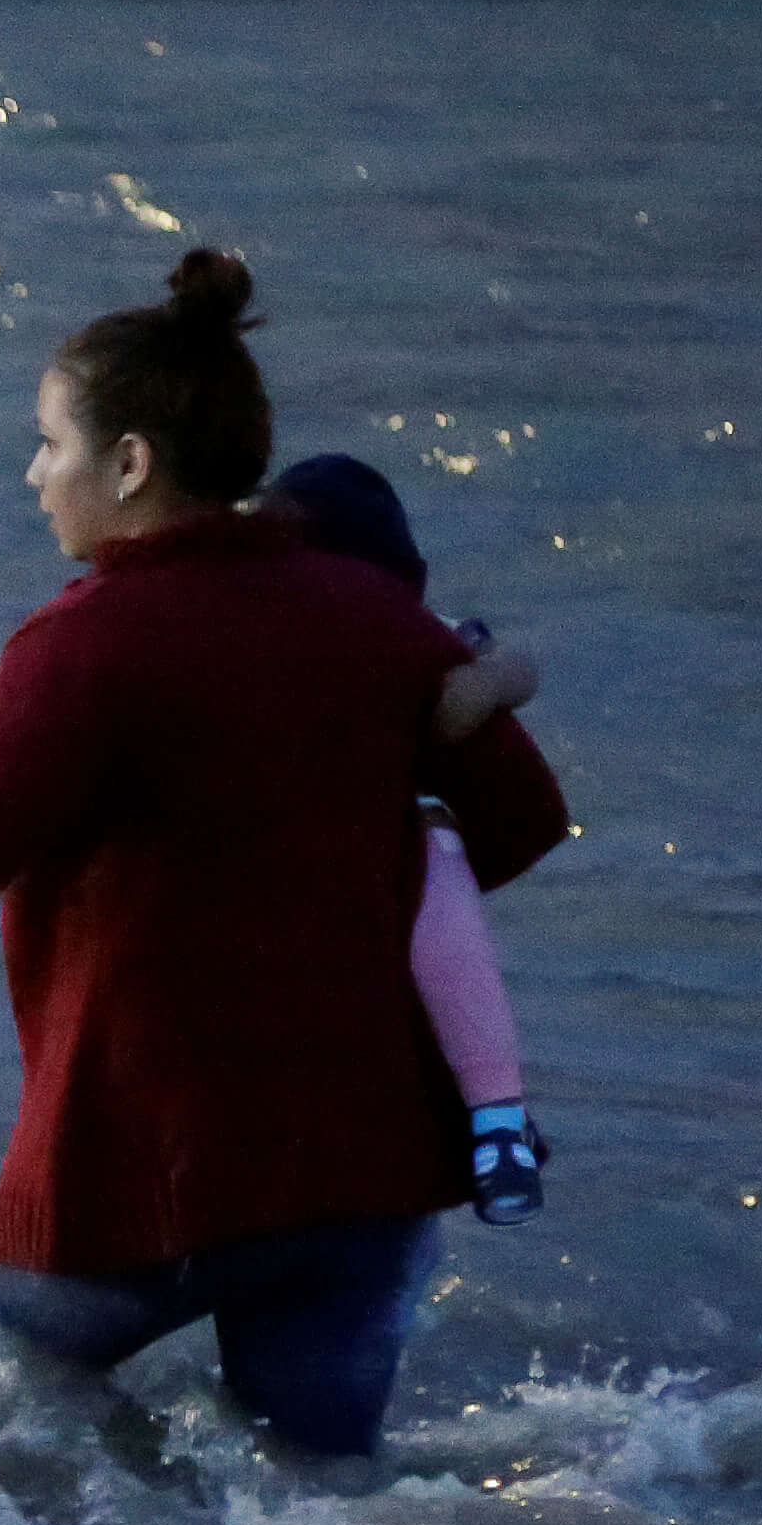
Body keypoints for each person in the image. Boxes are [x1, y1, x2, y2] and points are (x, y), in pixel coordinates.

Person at [0, 251, 572, 1459]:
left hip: (145, 1175)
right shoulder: (375, 616)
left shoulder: (89, 640)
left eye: (50, 445)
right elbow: (517, 824)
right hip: (366, 1180)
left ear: (129, 465)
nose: (35, 476)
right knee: (318, 1515)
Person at [264, 451, 554, 1224]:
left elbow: (511, 658)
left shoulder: (407, 639)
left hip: (368, 865)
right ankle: (494, 1115)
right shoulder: (251, 634)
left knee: (432, 848)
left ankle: (497, 1117)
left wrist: (481, 681)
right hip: (315, 877)